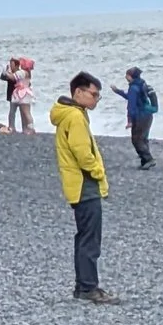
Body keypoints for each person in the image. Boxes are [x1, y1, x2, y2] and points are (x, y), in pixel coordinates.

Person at [52, 71, 114, 303]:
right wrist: (98, 172)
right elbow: (82, 153)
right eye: (94, 94)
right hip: (84, 185)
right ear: (78, 92)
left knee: (84, 236)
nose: (96, 100)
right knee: (90, 238)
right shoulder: (75, 117)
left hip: (77, 185)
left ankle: (83, 286)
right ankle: (88, 287)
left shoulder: (69, 114)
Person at [123, 67, 157, 169]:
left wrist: (130, 121)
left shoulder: (133, 88)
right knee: (143, 138)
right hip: (148, 115)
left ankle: (148, 159)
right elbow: (132, 97)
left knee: (136, 140)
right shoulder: (142, 84)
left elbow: (131, 106)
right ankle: (144, 161)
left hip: (140, 116)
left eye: (127, 75)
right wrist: (118, 91)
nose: (125, 77)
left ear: (131, 76)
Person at [5, 57, 38, 135]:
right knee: (26, 112)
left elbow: (12, 77)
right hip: (27, 92)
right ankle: (28, 128)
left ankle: (31, 128)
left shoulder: (22, 72)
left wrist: (6, 72)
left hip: (21, 93)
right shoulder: (28, 73)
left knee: (26, 113)